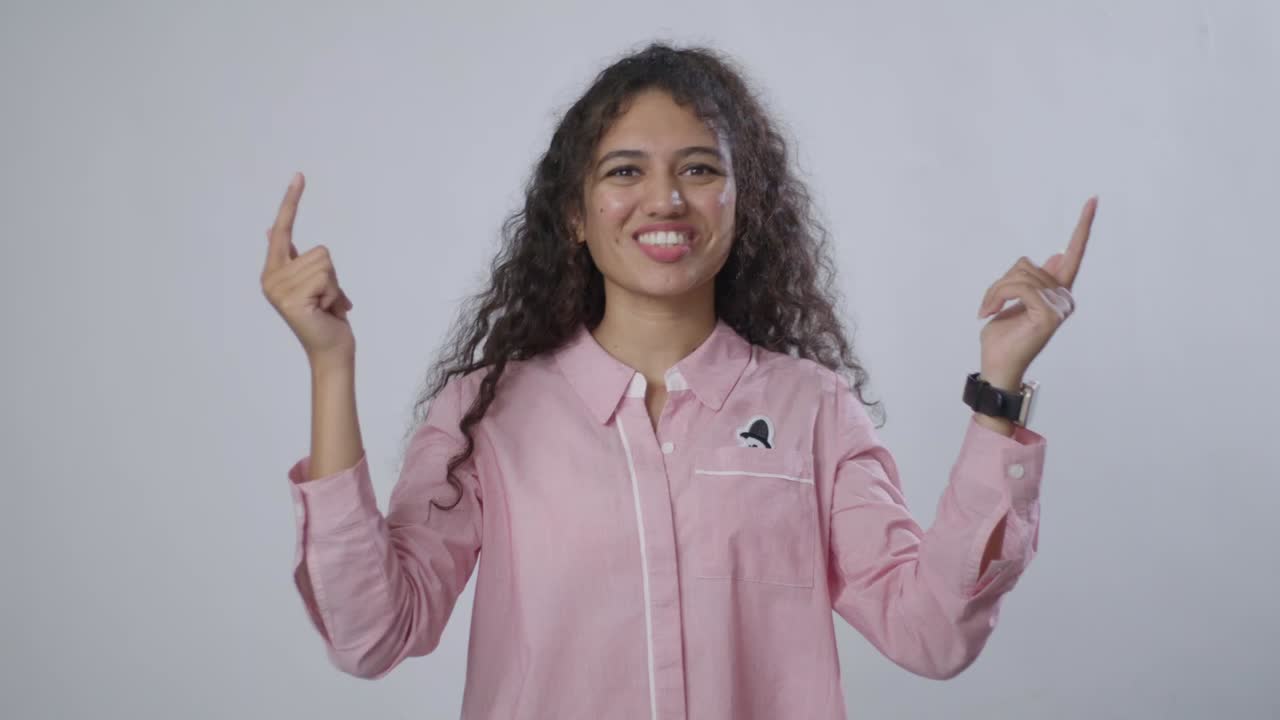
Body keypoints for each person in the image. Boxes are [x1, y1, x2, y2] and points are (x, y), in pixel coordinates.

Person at [260, 42, 1095, 720]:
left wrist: (998, 390)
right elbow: (372, 633)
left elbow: (932, 634)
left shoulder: (812, 410)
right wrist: (331, 365)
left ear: (742, 203)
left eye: (698, 169)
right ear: (577, 217)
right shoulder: (491, 413)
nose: (664, 199)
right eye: (625, 171)